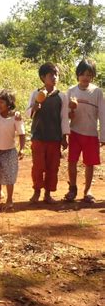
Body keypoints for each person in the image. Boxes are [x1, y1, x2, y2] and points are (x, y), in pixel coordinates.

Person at [26, 62, 69, 204]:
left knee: (52, 166)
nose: (55, 77)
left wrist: (64, 137)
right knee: (38, 166)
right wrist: (35, 108)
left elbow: (64, 118)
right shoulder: (36, 93)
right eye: (51, 75)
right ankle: (36, 191)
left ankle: (48, 193)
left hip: (54, 137)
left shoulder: (61, 96)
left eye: (56, 74)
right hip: (38, 136)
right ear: (43, 77)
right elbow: (27, 113)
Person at [63, 59, 105, 203]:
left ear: (92, 76)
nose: (85, 77)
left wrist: (103, 135)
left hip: (91, 133)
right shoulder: (71, 91)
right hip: (75, 132)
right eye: (82, 74)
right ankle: (72, 188)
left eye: (89, 74)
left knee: (90, 163)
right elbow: (66, 114)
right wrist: (70, 114)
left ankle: (87, 191)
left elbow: (102, 114)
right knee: (72, 161)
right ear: (77, 74)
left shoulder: (97, 91)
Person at [0, 90, 26, 209]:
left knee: (9, 176)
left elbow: (22, 134)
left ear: (9, 103)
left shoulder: (15, 118)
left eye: (1, 102)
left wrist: (22, 149)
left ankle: (9, 199)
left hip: (9, 151)